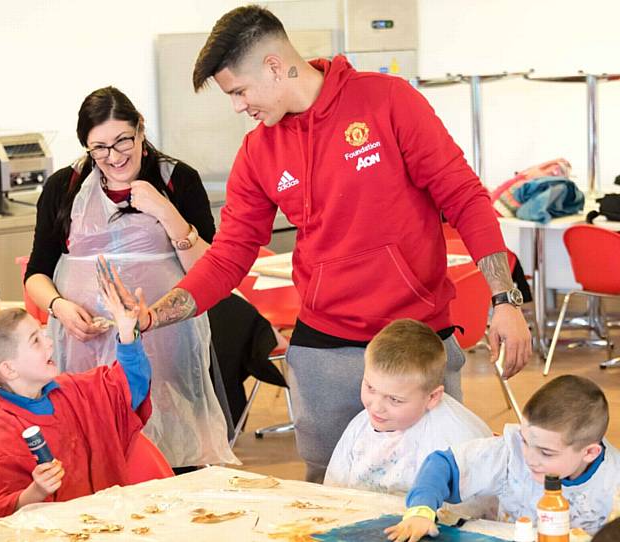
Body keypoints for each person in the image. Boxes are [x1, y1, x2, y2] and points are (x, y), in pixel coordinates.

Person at [105, 6, 532, 483]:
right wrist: (153, 315)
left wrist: (504, 298)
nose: (238, 106)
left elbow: (464, 197)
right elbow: (228, 256)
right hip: (325, 351)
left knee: (440, 487)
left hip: (417, 342)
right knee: (330, 493)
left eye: (239, 91)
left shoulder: (388, 101)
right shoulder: (258, 151)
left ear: (273, 65)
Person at [24, 86, 236, 468]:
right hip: (85, 342)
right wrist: (59, 307)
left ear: (140, 130)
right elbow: (37, 273)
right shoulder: (64, 187)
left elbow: (208, 271)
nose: (114, 156)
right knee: (98, 447)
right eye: (99, 148)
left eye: (123, 140)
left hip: (165, 338)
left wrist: (166, 212)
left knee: (172, 442)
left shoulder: (177, 180)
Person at [0, 278, 155, 522]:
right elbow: (0, 515)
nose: (50, 341)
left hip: (106, 525)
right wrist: (36, 491)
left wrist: (127, 332)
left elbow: (128, 391)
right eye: (36, 341)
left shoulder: (73, 389)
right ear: (9, 369)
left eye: (43, 334)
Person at [385, 375, 620, 541]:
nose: (529, 458)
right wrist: (421, 510)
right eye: (526, 441)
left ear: (590, 452)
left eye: (546, 453)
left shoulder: (614, 482)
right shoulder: (511, 454)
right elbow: (443, 465)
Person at [324, 319, 492, 496]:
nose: (376, 407)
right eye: (370, 388)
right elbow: (334, 493)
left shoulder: (455, 441)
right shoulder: (360, 426)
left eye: (395, 400)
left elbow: (467, 515)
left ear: (432, 397)